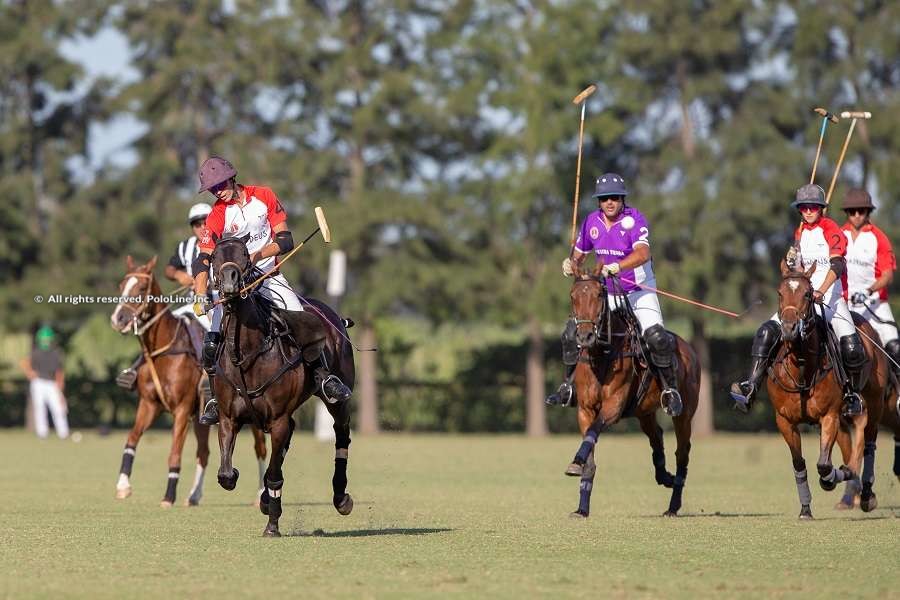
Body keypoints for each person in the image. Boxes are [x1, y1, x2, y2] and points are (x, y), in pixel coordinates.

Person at [192, 156, 351, 425]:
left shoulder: (263, 196)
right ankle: (215, 398)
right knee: (212, 340)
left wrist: (256, 256)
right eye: (212, 189)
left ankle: (324, 377)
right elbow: (203, 259)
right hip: (236, 286)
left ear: (231, 177)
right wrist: (199, 293)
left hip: (269, 277)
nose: (218, 191)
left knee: (305, 322)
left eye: (220, 184)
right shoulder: (217, 214)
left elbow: (285, 240)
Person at [546, 172, 683, 416]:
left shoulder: (634, 220)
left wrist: (618, 266)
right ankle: (568, 387)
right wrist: (570, 263)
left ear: (622, 199)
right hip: (604, 294)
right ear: (599, 201)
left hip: (637, 291)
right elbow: (579, 253)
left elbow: (643, 254)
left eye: (615, 197)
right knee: (571, 333)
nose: (609, 202)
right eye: (604, 198)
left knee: (656, 337)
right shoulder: (591, 222)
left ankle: (670, 391)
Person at [730, 184, 866, 417]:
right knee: (765, 332)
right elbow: (797, 271)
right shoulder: (800, 232)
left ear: (821, 208)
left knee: (851, 345)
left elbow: (838, 264)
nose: (809, 211)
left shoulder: (831, 229)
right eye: (804, 207)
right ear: (800, 210)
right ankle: (751, 386)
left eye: (813, 206)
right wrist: (794, 262)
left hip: (830, 297)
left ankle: (851, 395)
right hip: (802, 299)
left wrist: (821, 290)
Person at [115, 203, 213, 390]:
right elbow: (170, 269)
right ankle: (138, 366)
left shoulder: (222, 244)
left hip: (218, 301)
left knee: (214, 330)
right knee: (163, 325)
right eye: (196, 224)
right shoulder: (186, 246)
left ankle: (211, 373)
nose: (201, 228)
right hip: (192, 302)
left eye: (205, 222)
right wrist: (179, 275)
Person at [840, 187, 899, 377]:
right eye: (852, 211)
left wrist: (868, 290)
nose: (856, 215)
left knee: (894, 345)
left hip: (875, 303)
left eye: (861, 211)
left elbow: (888, 275)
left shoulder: (879, 238)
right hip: (846, 304)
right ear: (847, 213)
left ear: (868, 212)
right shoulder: (839, 236)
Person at [20, 325, 69, 439]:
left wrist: (60, 387)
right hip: (38, 382)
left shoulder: (56, 353)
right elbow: (24, 363)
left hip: (52, 384)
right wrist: (30, 373)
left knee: (58, 408)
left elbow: (59, 372)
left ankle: (63, 433)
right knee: (40, 408)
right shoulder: (36, 352)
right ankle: (42, 433)